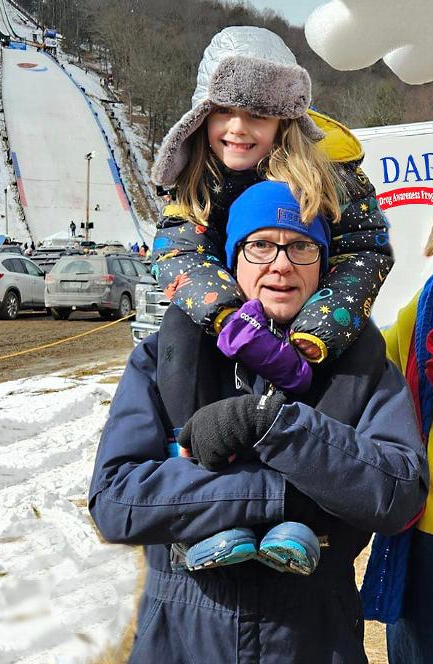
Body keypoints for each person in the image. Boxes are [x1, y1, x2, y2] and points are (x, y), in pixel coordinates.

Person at [89, 181, 426, 664]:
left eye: (301, 246)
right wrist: (283, 495)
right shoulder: (165, 358)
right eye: (261, 245)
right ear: (233, 259)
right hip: (180, 640)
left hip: (315, 641)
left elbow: (399, 493)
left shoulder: (362, 367)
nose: (281, 263)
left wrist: (277, 427)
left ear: (325, 262)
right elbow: (116, 501)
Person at [149, 26, 393, 395]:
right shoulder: (196, 178)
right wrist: (231, 317)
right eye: (223, 111)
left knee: (366, 345)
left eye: (256, 116)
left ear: (283, 120)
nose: (237, 128)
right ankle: (186, 436)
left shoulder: (331, 173)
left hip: (310, 315)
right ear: (201, 117)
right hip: (229, 326)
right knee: (178, 327)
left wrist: (316, 329)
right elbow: (178, 251)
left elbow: (364, 251)